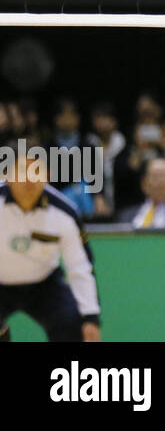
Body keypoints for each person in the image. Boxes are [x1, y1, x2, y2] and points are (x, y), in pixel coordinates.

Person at [0, 145, 102, 341]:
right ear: (7, 175)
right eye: (22, 171)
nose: (29, 179)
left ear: (47, 175)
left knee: (72, 323)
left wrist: (91, 318)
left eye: (36, 171)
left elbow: (80, 267)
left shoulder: (65, 213)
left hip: (44, 284)